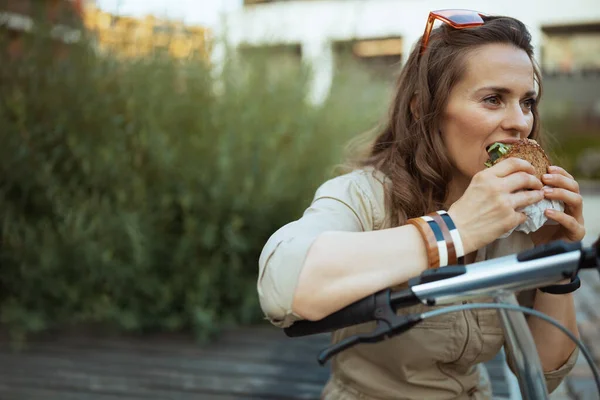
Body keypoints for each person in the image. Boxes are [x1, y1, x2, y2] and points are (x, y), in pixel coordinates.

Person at [257, 9, 585, 400]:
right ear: (421, 108)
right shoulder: (364, 195)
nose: (519, 122)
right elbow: (282, 286)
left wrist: (556, 263)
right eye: (493, 99)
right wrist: (454, 229)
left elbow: (544, 372)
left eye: (527, 102)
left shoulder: (519, 218)